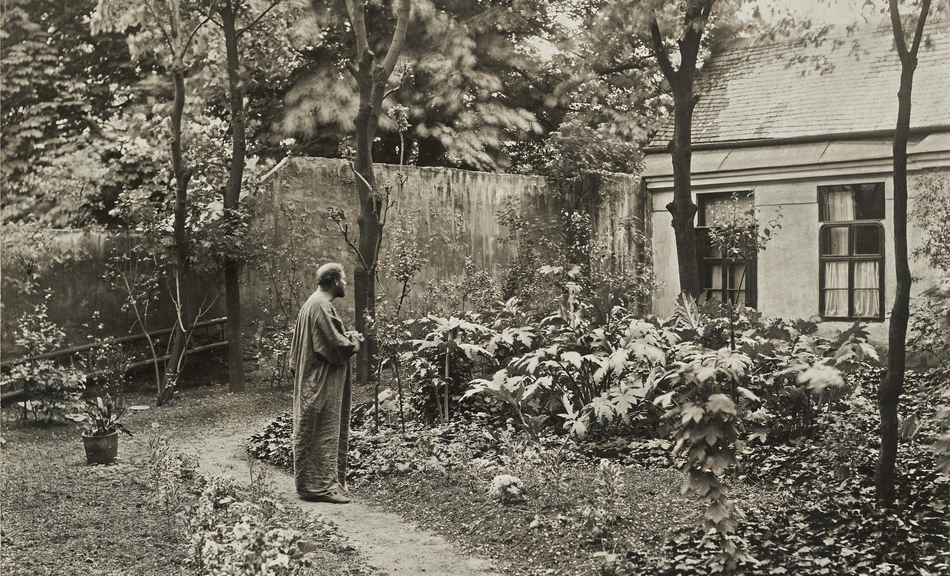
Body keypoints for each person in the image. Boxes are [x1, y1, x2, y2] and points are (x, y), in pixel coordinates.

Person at [288, 263, 363, 503]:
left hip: (313, 378)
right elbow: (334, 346)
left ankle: (323, 484)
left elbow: (324, 338)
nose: (346, 284)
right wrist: (353, 342)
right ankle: (321, 487)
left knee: (318, 429)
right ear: (335, 282)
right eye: (344, 280)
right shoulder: (321, 305)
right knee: (323, 430)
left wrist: (347, 336)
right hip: (319, 382)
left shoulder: (313, 303)